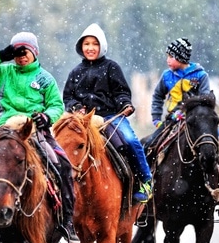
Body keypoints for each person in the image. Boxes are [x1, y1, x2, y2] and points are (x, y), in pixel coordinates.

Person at [0, 32, 80, 243]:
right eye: (17, 52)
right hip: (5, 128)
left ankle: (67, 219)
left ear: (34, 52)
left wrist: (47, 116)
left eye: (25, 51)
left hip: (34, 130)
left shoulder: (45, 78)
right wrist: (1, 56)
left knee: (62, 164)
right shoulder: (3, 72)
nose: (21, 56)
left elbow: (57, 105)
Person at [145, 37, 219, 210]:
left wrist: (187, 112)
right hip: (171, 122)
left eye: (170, 56)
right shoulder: (166, 76)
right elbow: (157, 96)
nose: (167, 60)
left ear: (181, 57)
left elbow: (205, 100)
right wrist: (156, 118)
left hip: (196, 122)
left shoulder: (200, 75)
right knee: (150, 146)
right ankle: (146, 186)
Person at [63, 23, 152, 203]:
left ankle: (145, 181)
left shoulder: (111, 67)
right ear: (81, 46)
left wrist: (125, 104)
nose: (90, 48)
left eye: (94, 44)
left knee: (129, 140)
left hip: (109, 117)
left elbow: (121, 92)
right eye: (86, 44)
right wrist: (77, 107)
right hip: (82, 120)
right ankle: (60, 186)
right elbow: (68, 97)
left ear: (102, 46)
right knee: (61, 143)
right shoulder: (75, 72)